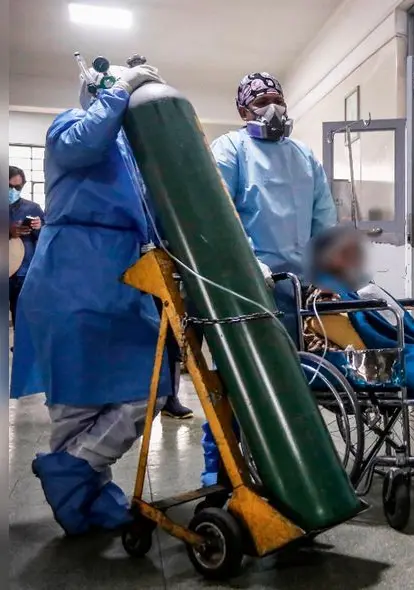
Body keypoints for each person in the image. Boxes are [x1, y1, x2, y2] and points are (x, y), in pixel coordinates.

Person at [203, 226, 414, 487]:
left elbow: (384, 321)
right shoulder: (322, 294)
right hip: (356, 363)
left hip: (384, 354)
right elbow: (351, 341)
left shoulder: (354, 287)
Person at [9, 61, 173, 536]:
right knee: (76, 409)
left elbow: (152, 213)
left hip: (124, 281)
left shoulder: (131, 154)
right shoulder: (69, 125)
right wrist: (120, 88)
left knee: (151, 388)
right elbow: (84, 143)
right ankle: (86, 502)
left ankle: (68, 475)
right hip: (70, 279)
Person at [210, 72, 337, 337]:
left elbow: (323, 218)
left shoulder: (303, 154)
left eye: (278, 100)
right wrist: (248, 265)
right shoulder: (230, 149)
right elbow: (218, 214)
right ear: (244, 112)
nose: (273, 108)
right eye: (263, 101)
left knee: (302, 360)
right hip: (253, 282)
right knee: (260, 365)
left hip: (300, 285)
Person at [9, 165, 44, 330]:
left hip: (23, 271)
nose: (13, 190)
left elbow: (45, 239)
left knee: (22, 317)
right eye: (9, 186)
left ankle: (19, 352)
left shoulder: (33, 208)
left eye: (17, 187)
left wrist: (39, 228)